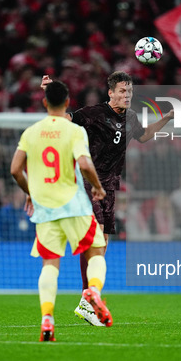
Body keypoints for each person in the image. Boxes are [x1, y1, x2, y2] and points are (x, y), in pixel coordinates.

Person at [42, 71, 175, 325]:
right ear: (111, 92)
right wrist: (49, 93)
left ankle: (88, 299)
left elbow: (145, 136)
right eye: (123, 92)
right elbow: (61, 120)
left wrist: (167, 118)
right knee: (95, 238)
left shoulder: (131, 118)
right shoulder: (91, 115)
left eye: (130, 91)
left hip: (111, 188)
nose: (128, 96)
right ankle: (89, 298)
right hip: (87, 183)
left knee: (101, 245)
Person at [10, 80, 112, 342]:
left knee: (50, 265)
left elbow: (15, 169)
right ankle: (93, 292)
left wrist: (30, 193)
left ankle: (47, 318)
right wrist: (98, 188)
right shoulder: (73, 130)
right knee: (97, 251)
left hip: (45, 208)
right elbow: (86, 165)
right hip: (75, 205)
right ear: (67, 103)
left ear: (45, 103)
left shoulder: (31, 132)